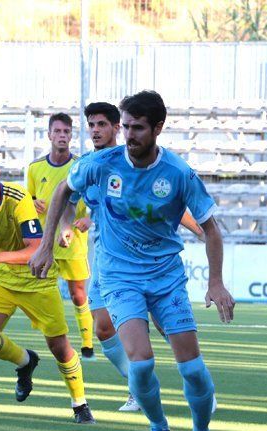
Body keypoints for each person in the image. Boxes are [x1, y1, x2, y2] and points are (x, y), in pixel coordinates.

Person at [31, 90, 234, 431]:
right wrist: (45, 245)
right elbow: (63, 190)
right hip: (120, 277)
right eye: (125, 126)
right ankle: (158, 428)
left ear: (158, 127)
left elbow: (210, 228)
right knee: (140, 364)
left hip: (166, 278)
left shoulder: (177, 173)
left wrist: (216, 282)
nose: (129, 135)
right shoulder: (101, 163)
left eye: (137, 128)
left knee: (193, 370)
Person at [57, 101, 205, 412]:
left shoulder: (133, 163)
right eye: (91, 125)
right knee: (103, 328)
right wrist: (68, 224)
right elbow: (68, 199)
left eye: (102, 125)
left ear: (115, 128)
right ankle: (138, 387)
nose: (95, 131)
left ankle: (194, 376)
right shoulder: (91, 166)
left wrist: (199, 229)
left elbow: (162, 207)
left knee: (163, 322)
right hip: (109, 259)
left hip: (150, 261)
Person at [0, 145, 94, 424]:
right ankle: (25, 362)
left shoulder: (18, 198)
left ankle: (79, 403)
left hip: (35, 276)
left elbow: (35, 249)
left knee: (59, 346)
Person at [0, 113, 94, 360]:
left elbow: (91, 197)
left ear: (71, 136)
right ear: (49, 135)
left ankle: (87, 345)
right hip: (42, 242)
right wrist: (34, 203)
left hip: (72, 239)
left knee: (78, 293)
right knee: (13, 288)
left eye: (67, 132)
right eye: (57, 131)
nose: (62, 136)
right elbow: (28, 198)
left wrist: (88, 217)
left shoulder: (80, 167)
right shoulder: (35, 167)